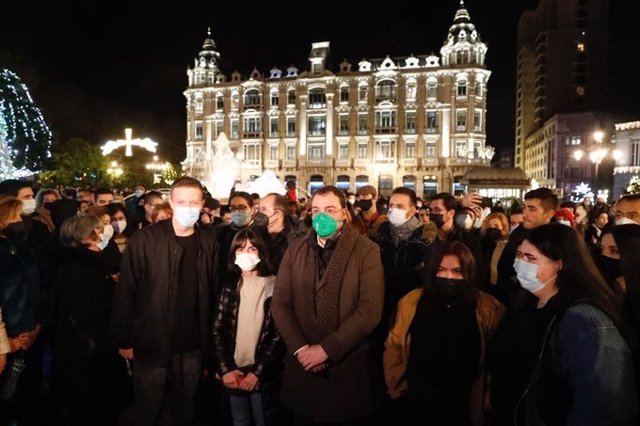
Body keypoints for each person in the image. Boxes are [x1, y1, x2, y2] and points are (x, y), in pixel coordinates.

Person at [486, 224, 638, 425]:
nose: (520, 263)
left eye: (531, 258)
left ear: (560, 264)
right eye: (519, 255)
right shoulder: (527, 301)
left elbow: (603, 404)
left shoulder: (585, 322)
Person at [271, 185, 384, 425]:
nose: (322, 216)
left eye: (330, 209)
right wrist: (301, 350)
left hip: (345, 373)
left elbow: (369, 311)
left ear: (344, 213)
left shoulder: (367, 251)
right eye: (316, 210)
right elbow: (280, 303)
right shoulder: (296, 249)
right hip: (302, 372)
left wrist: (326, 350)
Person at [111, 176, 219, 426]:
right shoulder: (145, 240)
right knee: (149, 409)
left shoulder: (209, 241)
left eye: (193, 202)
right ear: (171, 201)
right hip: (150, 342)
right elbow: (126, 291)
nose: (187, 207)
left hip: (192, 346)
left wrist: (210, 347)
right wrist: (124, 338)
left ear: (202, 203)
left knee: (184, 410)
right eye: (181, 201)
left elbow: (213, 294)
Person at [384, 241, 504, 426]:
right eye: (441, 270)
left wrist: (491, 392)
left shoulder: (488, 308)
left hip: (463, 402)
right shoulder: (411, 302)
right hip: (417, 397)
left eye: (457, 271)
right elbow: (394, 344)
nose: (449, 277)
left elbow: (496, 358)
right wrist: (395, 386)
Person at [54, 214, 127, 425]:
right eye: (100, 228)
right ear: (89, 235)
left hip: (93, 344)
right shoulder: (78, 267)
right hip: (90, 348)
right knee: (94, 405)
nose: (104, 232)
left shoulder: (89, 262)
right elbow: (87, 307)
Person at [212, 228, 285, 426]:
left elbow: (278, 335)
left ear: (261, 252)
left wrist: (258, 372)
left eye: (252, 248)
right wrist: (226, 369)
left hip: (261, 372)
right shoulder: (228, 286)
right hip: (234, 371)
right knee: (239, 420)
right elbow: (217, 330)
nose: (246, 253)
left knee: (264, 419)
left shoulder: (274, 285)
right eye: (240, 249)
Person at [495, 188, 557, 306]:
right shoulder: (518, 233)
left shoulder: (561, 238)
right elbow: (504, 266)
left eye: (532, 209)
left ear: (549, 214)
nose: (525, 214)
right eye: (525, 207)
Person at [258, 193, 308, 273]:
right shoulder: (256, 233)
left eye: (263, 209)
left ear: (277, 213)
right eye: (258, 209)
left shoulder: (300, 236)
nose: (258, 214)